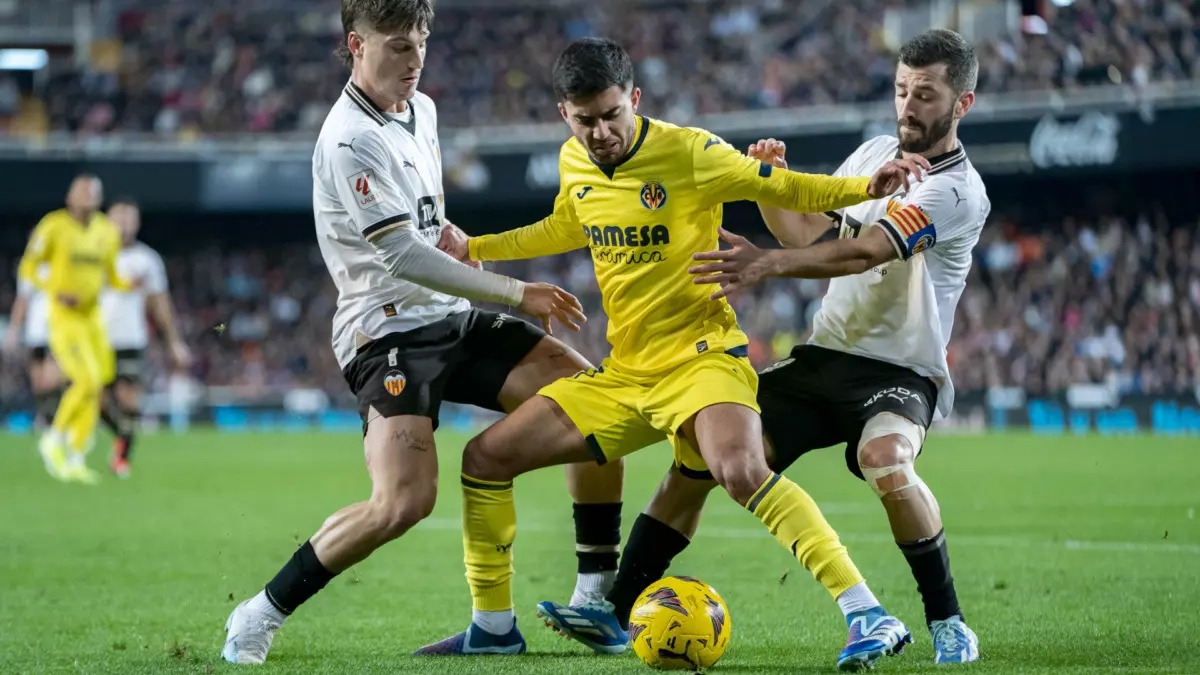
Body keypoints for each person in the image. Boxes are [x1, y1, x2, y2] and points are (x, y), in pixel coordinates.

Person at [418, 37, 930, 671]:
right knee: (485, 457)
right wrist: (480, 249)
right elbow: (564, 225)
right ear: (564, 115)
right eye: (585, 121)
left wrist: (862, 186)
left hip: (701, 358)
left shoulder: (692, 152)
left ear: (634, 98)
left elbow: (784, 185)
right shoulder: (574, 163)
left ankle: (869, 614)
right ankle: (493, 628)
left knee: (741, 470)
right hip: (627, 374)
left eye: (611, 115)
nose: (601, 132)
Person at [534, 28, 987, 666]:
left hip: (900, 370)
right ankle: (612, 611)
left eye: (926, 95)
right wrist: (767, 183)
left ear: (960, 104)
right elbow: (807, 231)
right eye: (901, 90)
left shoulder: (956, 190)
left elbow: (863, 251)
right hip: (826, 354)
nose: (909, 107)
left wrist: (763, 266)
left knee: (886, 456)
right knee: (704, 457)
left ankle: (947, 622)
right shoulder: (874, 154)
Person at [220, 0, 600, 664]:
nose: (415, 57)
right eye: (398, 45)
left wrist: (455, 236)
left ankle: (595, 597)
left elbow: (427, 227)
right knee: (403, 502)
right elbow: (399, 255)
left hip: (448, 314)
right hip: (387, 331)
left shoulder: (420, 109)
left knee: (593, 401)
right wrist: (519, 289)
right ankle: (262, 610)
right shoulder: (349, 137)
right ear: (354, 45)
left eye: (421, 40)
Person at [17, 174, 132, 484]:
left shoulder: (106, 232)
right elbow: (28, 266)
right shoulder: (53, 226)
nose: (88, 197)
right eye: (82, 192)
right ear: (70, 196)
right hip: (65, 317)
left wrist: (128, 285)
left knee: (98, 386)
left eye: (93, 193)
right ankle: (53, 439)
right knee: (86, 380)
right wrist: (53, 289)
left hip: (93, 318)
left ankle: (76, 454)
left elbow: (111, 274)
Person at [98, 198, 191, 478]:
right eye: (119, 218)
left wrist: (174, 342)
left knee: (129, 401)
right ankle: (121, 439)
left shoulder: (147, 259)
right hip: (97, 338)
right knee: (97, 400)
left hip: (131, 339)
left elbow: (160, 304)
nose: (124, 225)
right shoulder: (95, 254)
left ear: (137, 224)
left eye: (130, 219)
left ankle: (122, 458)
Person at [3, 260, 62, 432]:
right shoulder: (29, 266)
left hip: (58, 331)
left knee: (53, 379)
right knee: (38, 383)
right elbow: (23, 300)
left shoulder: (64, 261)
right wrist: (13, 329)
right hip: (35, 332)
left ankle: (56, 420)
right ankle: (45, 420)